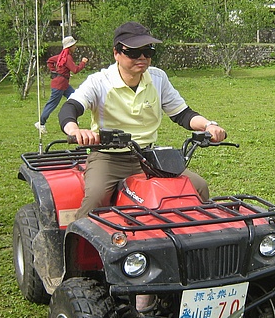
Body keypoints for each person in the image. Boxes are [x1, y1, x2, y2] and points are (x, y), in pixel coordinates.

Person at [58, 21, 227, 221]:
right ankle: (76, 245)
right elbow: (71, 107)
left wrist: (209, 125)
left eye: (148, 51)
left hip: (149, 158)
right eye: (134, 52)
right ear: (116, 53)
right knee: (95, 199)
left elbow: (183, 114)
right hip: (108, 157)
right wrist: (75, 130)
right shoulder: (99, 81)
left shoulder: (157, 78)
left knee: (198, 187)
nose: (142, 58)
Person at [35, 36, 88, 134]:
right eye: (74, 45)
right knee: (52, 104)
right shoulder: (67, 57)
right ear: (70, 46)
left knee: (75, 98)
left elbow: (50, 61)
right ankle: (41, 123)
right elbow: (75, 70)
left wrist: (56, 72)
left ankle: (72, 121)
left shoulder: (62, 56)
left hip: (63, 84)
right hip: (59, 85)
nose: (75, 47)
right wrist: (83, 63)